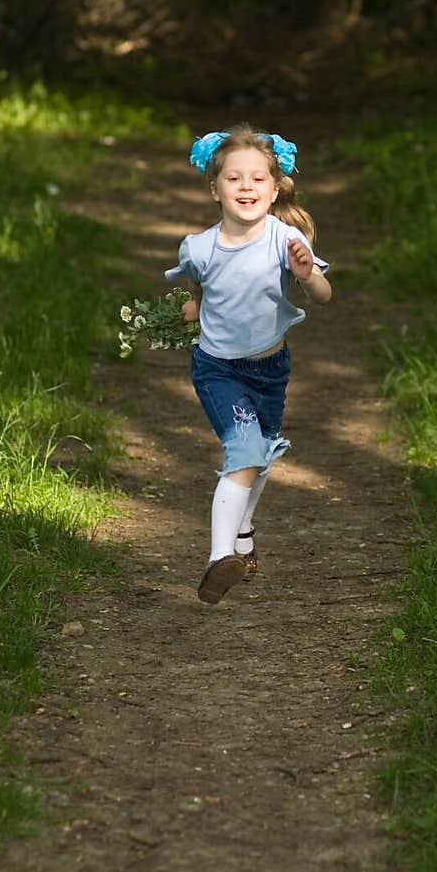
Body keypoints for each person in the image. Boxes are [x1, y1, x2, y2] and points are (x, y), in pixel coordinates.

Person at [164, 124, 332, 604]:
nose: (247, 188)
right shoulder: (198, 247)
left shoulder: (286, 240)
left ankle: (242, 537)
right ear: (215, 189)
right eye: (235, 179)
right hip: (218, 367)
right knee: (243, 451)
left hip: (270, 369)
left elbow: (323, 295)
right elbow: (202, 284)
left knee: (260, 460)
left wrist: (307, 276)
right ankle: (220, 559)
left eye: (257, 180)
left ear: (274, 188)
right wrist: (192, 308)